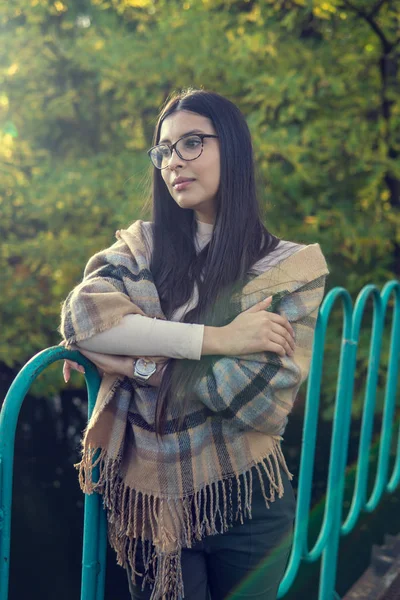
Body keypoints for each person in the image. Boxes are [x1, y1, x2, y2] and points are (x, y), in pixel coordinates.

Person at [59, 88, 329, 600]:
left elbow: (258, 400)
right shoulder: (144, 247)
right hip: (150, 499)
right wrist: (221, 339)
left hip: (246, 498)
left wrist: (135, 366)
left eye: (191, 144)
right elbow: (83, 316)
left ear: (232, 148)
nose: (172, 163)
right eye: (163, 150)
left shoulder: (288, 270)